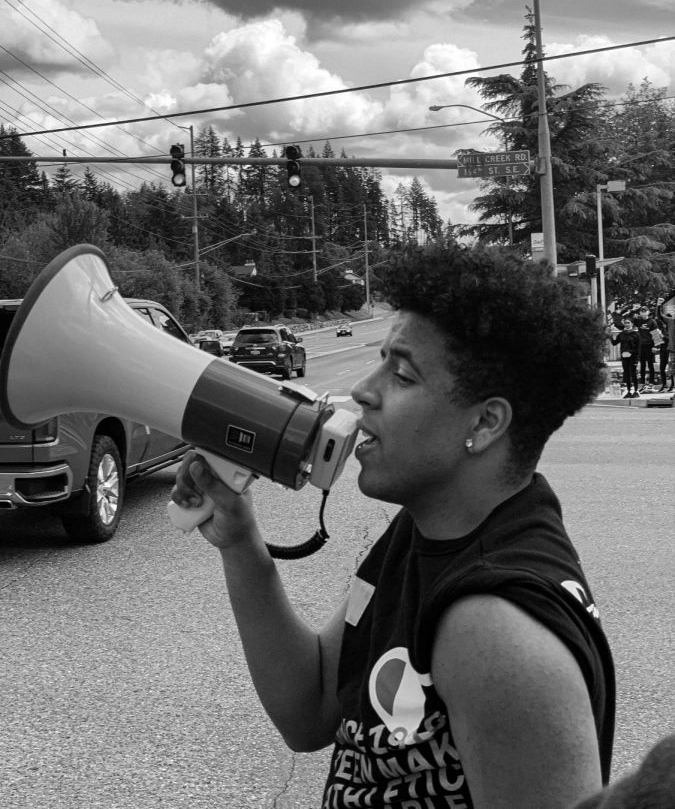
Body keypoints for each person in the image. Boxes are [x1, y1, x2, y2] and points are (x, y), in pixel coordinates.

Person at [171, 242, 615, 809]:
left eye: (401, 375)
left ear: (484, 421)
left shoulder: (497, 631)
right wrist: (240, 542)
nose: (362, 390)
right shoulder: (430, 529)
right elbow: (310, 709)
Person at [610, 317, 640, 398]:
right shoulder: (622, 333)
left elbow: (638, 348)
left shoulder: (636, 334)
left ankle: (636, 391)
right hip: (624, 356)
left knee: (633, 373)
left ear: (632, 324)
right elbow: (614, 343)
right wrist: (611, 336)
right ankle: (629, 391)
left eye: (628, 323)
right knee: (626, 374)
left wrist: (631, 353)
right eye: (626, 323)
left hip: (633, 356)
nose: (627, 324)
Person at [635, 305, 657, 392]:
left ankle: (651, 384)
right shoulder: (638, 321)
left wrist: (656, 346)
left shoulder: (652, 322)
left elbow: (656, 334)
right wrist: (634, 310)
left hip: (650, 345)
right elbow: (627, 319)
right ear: (640, 312)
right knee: (642, 365)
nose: (643, 312)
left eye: (645, 311)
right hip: (641, 346)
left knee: (650, 365)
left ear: (648, 312)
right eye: (642, 311)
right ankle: (643, 384)